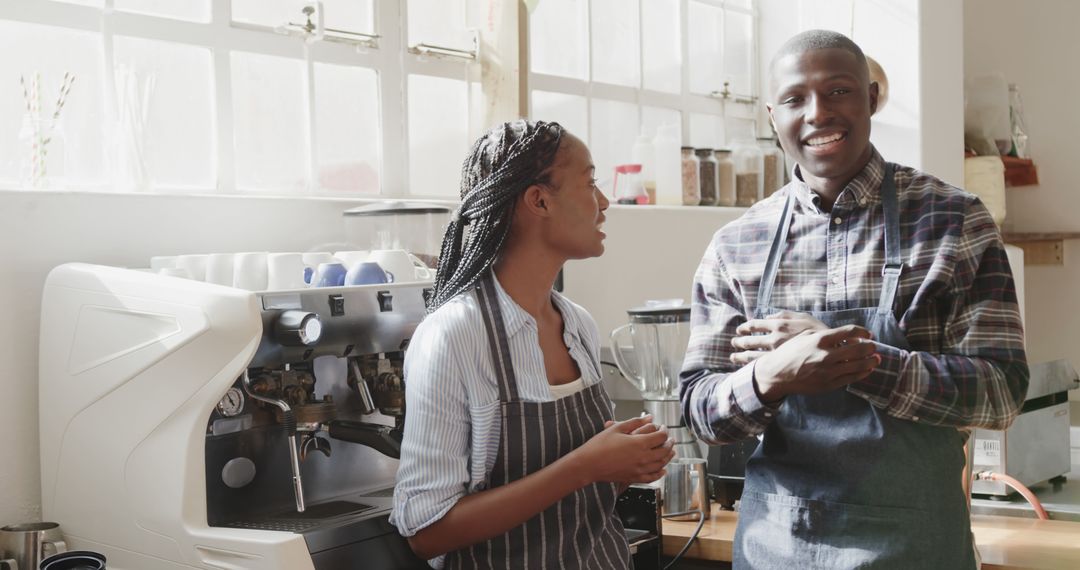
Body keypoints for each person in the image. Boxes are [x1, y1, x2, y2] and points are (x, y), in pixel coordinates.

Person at [680, 30, 1029, 569]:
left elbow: (1001, 392)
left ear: (870, 98)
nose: (818, 113)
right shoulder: (736, 245)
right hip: (776, 550)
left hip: (917, 548)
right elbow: (700, 411)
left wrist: (854, 361)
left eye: (838, 91)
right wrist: (770, 376)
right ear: (773, 116)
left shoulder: (954, 222)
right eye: (796, 99)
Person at [391, 119, 674, 569]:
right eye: (589, 183)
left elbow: (581, 495)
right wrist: (587, 466)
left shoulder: (577, 323)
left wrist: (624, 464)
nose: (604, 203)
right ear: (540, 200)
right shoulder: (454, 337)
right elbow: (427, 532)